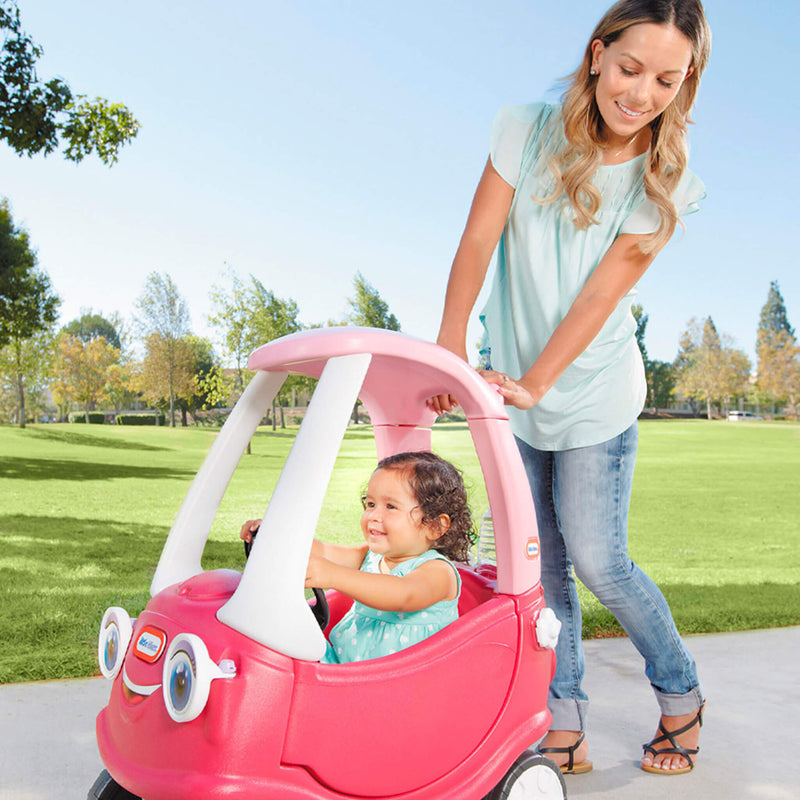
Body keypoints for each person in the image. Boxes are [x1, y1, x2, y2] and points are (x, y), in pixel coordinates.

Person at [430, 0, 710, 777]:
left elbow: (598, 297)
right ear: (595, 55)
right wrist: (451, 346)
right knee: (538, 568)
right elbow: (479, 237)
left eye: (667, 79)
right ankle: (561, 722)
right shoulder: (523, 130)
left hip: (590, 393)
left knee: (599, 561)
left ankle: (682, 696)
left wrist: (536, 382)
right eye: (629, 68)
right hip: (509, 383)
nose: (642, 93)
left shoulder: (665, 179)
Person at [240, 450, 475, 664]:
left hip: (405, 681)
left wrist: (332, 575)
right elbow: (325, 552)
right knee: (269, 641)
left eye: (390, 507)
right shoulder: (370, 556)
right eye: (371, 504)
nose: (373, 515)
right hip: (344, 664)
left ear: (435, 525)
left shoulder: (437, 571)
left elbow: (402, 594)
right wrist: (276, 535)